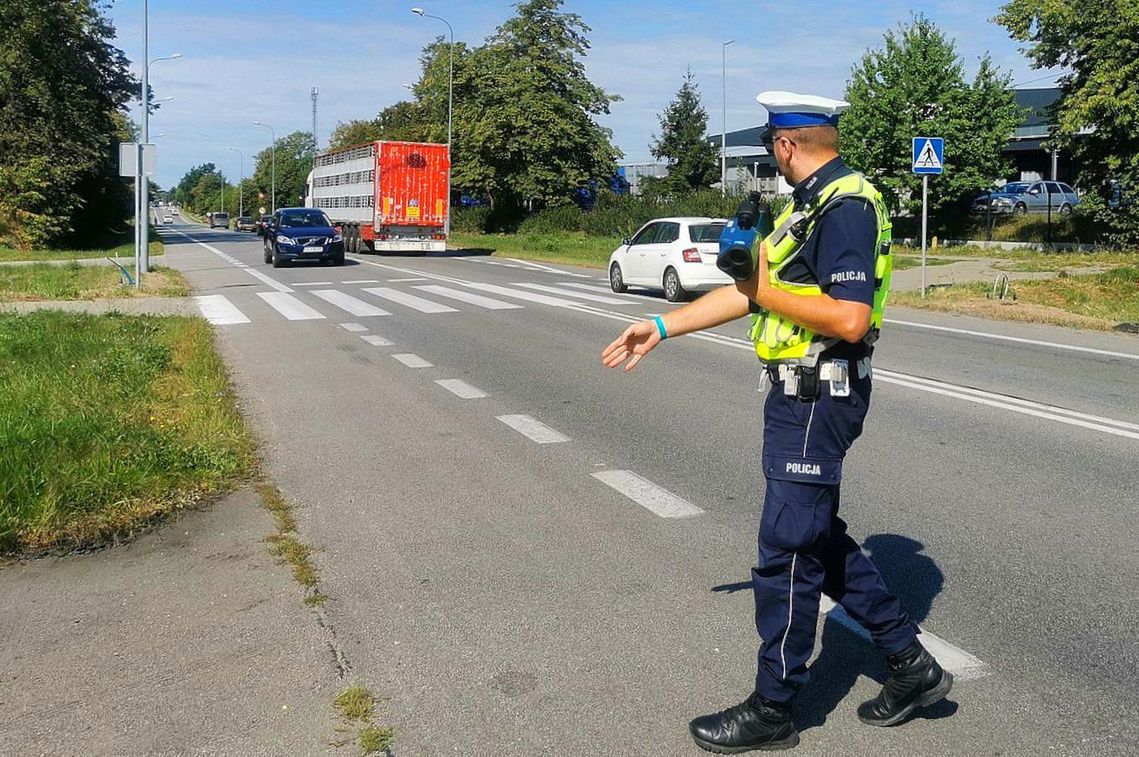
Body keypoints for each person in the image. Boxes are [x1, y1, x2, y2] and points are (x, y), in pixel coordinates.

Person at [601, 91, 952, 752]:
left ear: (786, 144)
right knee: (814, 536)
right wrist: (659, 325)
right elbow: (747, 290)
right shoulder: (807, 205)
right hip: (797, 394)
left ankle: (773, 706)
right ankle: (910, 664)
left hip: (820, 392)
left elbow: (849, 317)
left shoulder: (845, 206)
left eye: (770, 147)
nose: (771, 158)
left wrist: (761, 289)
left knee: (786, 551)